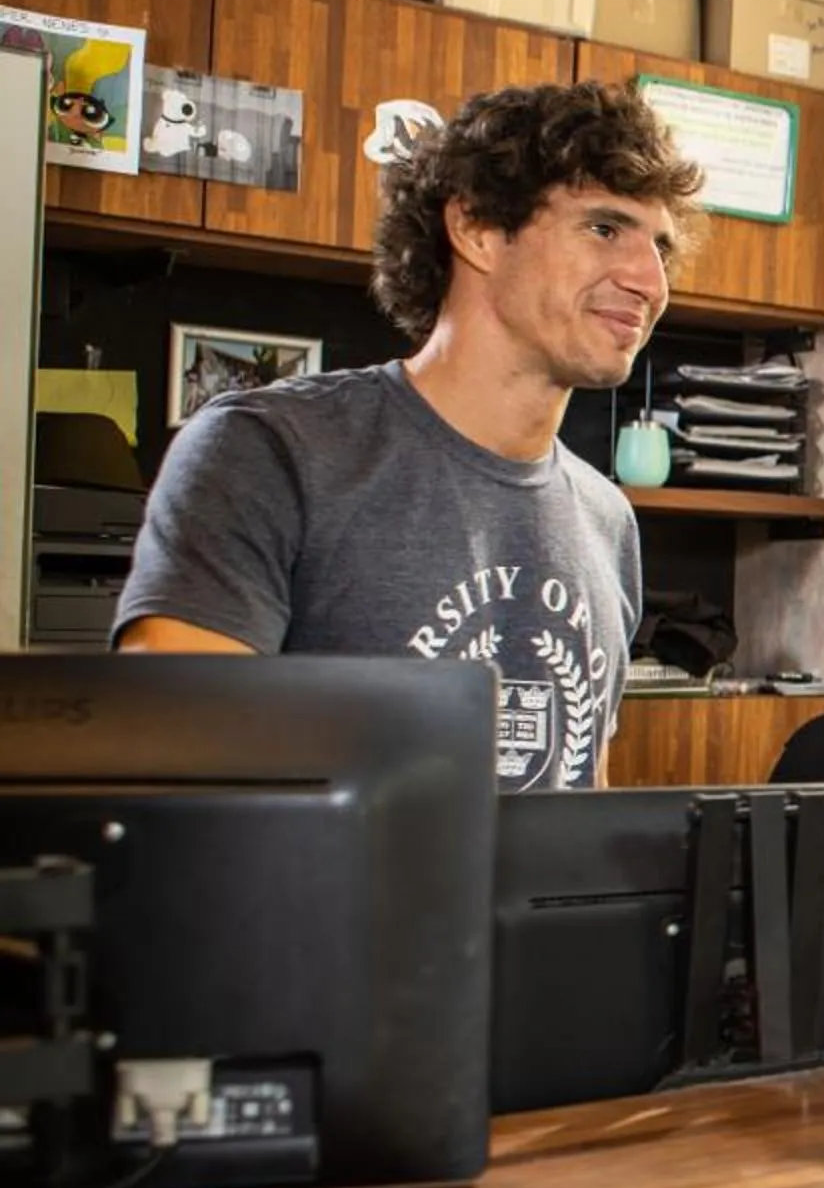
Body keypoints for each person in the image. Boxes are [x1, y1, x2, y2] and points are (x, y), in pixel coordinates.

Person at [115, 82, 703, 793]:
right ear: (478, 228)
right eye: (605, 229)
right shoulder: (271, 451)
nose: (650, 280)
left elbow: (576, 794)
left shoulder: (606, 520)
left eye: (661, 248)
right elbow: (170, 773)